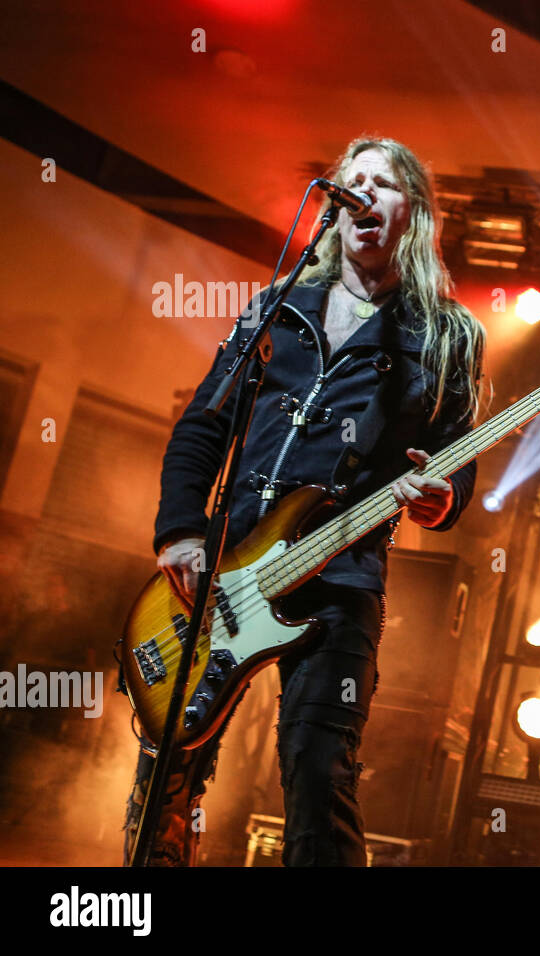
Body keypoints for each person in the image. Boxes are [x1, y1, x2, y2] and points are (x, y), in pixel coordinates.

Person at [122, 137, 485, 866]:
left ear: (413, 210)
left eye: (382, 183)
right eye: (351, 183)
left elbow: (456, 461)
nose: (363, 194)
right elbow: (202, 425)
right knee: (165, 776)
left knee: (320, 776)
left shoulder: (446, 334)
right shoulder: (277, 308)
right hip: (224, 566)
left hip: (340, 579)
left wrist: (441, 499)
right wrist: (180, 533)